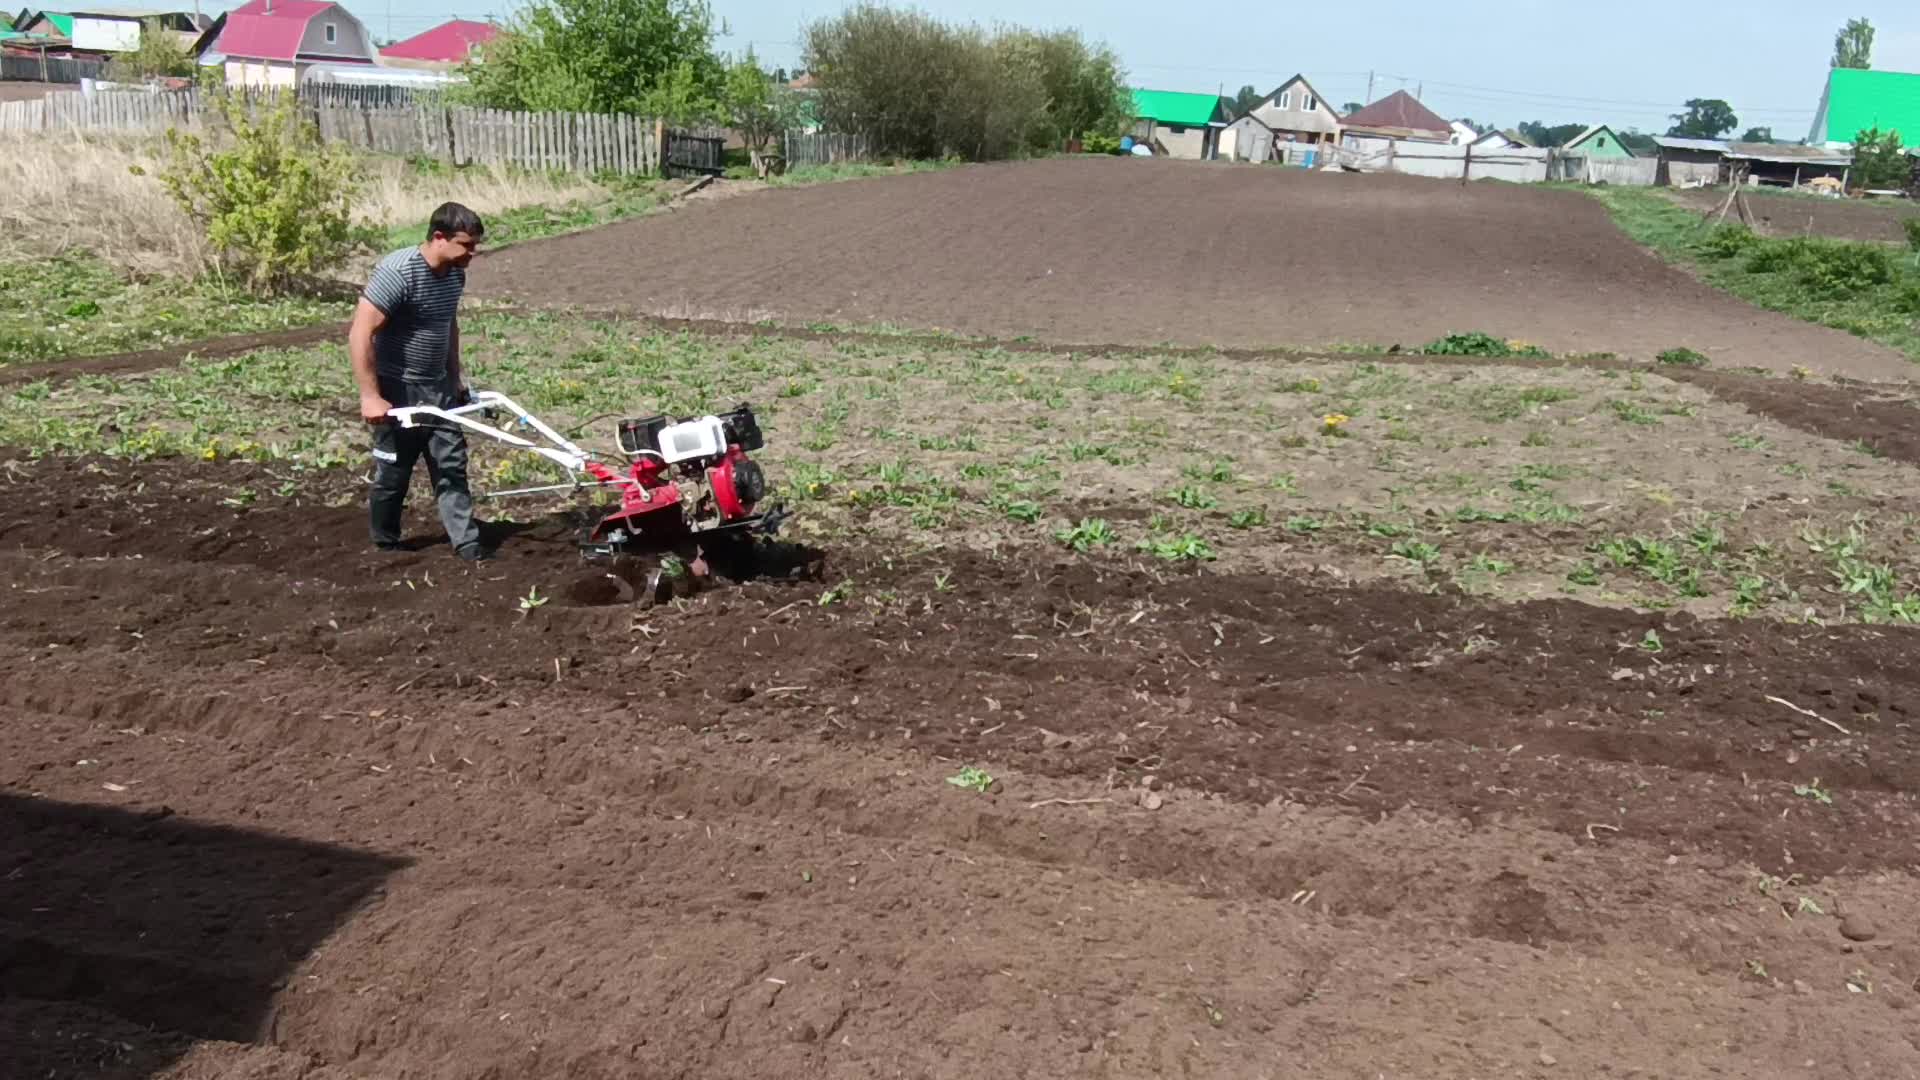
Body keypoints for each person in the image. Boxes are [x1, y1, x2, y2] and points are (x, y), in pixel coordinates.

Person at [349, 202, 490, 560]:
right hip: (398, 388)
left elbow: (448, 324)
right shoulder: (399, 272)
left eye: (475, 245)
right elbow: (360, 332)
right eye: (466, 245)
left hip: (438, 387)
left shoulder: (455, 272)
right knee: (394, 473)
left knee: (451, 465)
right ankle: (385, 543)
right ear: (438, 237)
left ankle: (468, 544)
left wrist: (455, 378)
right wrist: (370, 396)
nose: (472, 254)